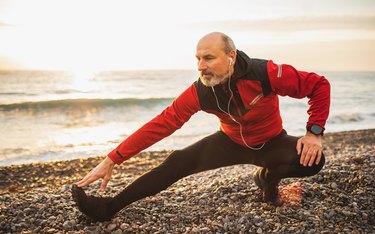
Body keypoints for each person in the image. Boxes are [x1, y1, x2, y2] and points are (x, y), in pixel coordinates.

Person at [72, 32, 330, 221]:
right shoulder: (200, 91)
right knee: (177, 161)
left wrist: (314, 132)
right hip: (230, 143)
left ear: (231, 56)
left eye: (208, 58)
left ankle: (267, 178)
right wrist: (113, 159)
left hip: (271, 142)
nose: (200, 66)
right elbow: (162, 123)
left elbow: (318, 85)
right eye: (197, 59)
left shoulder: (265, 73)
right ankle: (107, 208)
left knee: (313, 159)